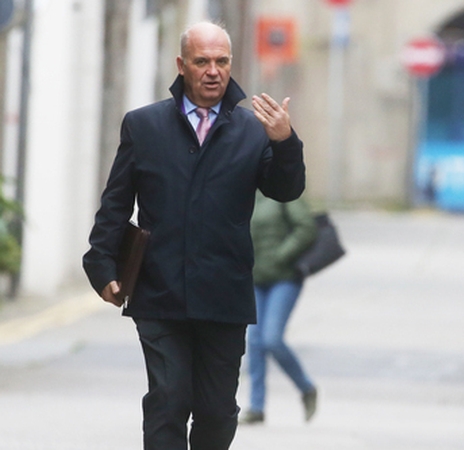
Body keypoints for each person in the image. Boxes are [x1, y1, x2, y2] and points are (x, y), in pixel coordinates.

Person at [82, 21, 305, 450]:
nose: (213, 71)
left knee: (217, 413)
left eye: (222, 61)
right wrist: (101, 263)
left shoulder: (252, 129)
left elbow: (285, 189)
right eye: (202, 61)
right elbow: (115, 203)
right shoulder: (143, 126)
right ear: (182, 65)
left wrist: (285, 143)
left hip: (225, 296)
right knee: (167, 402)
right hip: (159, 293)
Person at [239, 196, 318, 425]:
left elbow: (306, 228)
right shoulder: (244, 190)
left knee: (271, 339)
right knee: (254, 341)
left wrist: (281, 255)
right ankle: (256, 407)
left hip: (284, 277)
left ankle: (306, 387)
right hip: (254, 278)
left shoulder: (283, 191)